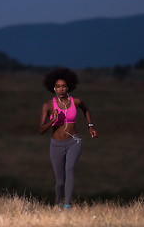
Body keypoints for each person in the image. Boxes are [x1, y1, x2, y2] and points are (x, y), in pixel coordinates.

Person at [38, 67, 98, 210]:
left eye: (64, 86)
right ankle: (59, 204)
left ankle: (67, 205)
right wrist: (52, 121)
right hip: (56, 145)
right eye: (58, 87)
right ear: (53, 87)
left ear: (68, 87)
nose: (61, 89)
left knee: (69, 168)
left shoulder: (76, 101)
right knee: (59, 180)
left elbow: (86, 109)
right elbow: (40, 130)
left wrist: (90, 126)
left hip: (74, 141)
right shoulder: (48, 105)